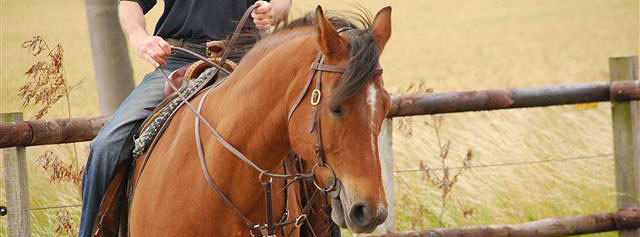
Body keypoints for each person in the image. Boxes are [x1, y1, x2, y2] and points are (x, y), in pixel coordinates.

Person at [79, 0, 291, 236]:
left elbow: (282, 3)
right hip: (178, 61)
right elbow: (130, 4)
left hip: (248, 62)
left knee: (304, 135)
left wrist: (275, 12)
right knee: (106, 146)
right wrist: (140, 39)